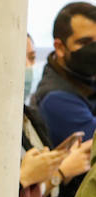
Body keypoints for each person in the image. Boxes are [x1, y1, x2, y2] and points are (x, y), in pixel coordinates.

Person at [21, 32, 91, 197]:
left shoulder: (30, 117)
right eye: (85, 41)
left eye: (32, 58)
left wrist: (58, 165)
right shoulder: (55, 99)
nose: (28, 66)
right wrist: (59, 173)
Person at [34, 2, 96, 144]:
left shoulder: (84, 78)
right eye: (85, 42)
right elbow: (92, 145)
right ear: (60, 48)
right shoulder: (55, 99)